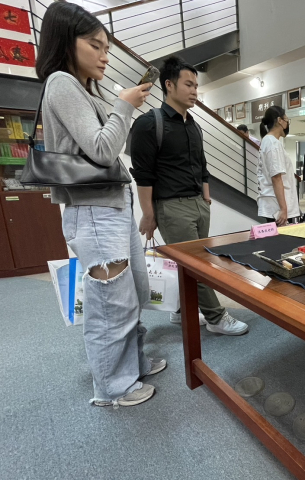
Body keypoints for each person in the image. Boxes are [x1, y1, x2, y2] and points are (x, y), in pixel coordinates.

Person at [36, 2, 163, 407]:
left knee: (133, 292)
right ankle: (113, 387)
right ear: (65, 42)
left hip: (108, 206)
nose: (105, 55)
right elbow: (104, 150)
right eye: (95, 45)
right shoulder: (61, 83)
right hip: (93, 210)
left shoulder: (81, 87)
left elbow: (100, 149)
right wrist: (124, 105)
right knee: (111, 302)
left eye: (106, 47)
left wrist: (121, 106)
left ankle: (132, 364)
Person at [130, 56, 248, 336]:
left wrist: (205, 198)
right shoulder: (149, 124)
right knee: (199, 265)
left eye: (196, 85)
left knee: (190, 262)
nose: (195, 91)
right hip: (172, 207)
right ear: (169, 85)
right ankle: (216, 318)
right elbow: (143, 175)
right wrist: (148, 214)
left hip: (198, 204)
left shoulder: (193, 124)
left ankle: (181, 308)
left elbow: (202, 165)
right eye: (188, 84)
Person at [256, 106, 300, 225]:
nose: (287, 124)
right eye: (287, 120)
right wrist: (283, 209)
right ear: (280, 120)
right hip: (277, 207)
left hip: (274, 204)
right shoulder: (273, 144)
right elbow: (276, 178)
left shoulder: (268, 141)